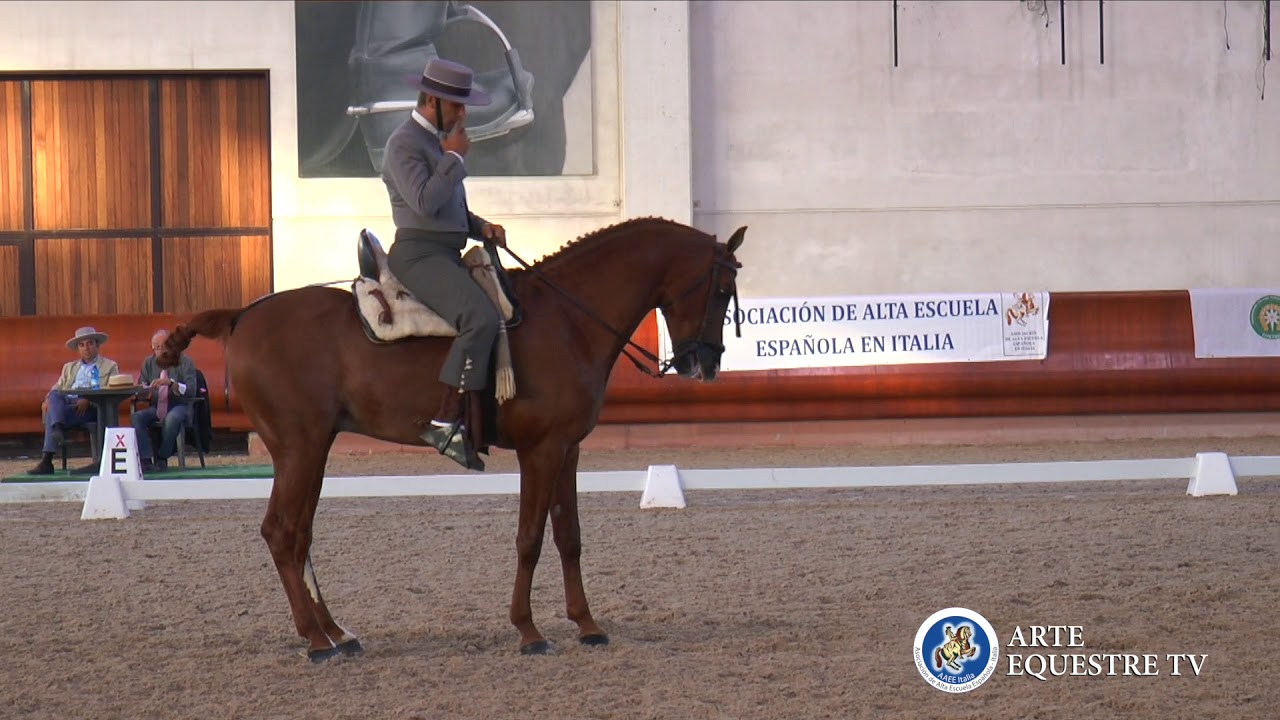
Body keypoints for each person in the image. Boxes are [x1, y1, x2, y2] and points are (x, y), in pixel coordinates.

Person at [380, 56, 509, 470]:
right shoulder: (403, 144)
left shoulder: (438, 141)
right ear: (433, 101)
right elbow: (424, 202)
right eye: (457, 105)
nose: (463, 113)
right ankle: (444, 421)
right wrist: (453, 159)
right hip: (418, 255)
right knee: (481, 319)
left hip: (445, 250)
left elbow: (449, 209)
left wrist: (479, 225)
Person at [29, 326, 120, 475]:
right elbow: (58, 386)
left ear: (97, 345)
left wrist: (89, 400)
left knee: (53, 411)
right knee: (54, 395)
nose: (86, 348)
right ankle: (57, 427)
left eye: (90, 343)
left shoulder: (110, 366)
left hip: (90, 409)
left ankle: (47, 460)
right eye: (81, 345)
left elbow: (112, 390)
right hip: (66, 406)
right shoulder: (69, 367)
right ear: (78, 348)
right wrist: (47, 399)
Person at [131, 329, 198, 473]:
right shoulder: (149, 363)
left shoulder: (185, 362)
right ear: (152, 348)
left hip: (180, 405)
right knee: (137, 417)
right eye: (157, 347)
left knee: (172, 418)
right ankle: (146, 460)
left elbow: (192, 390)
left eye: (164, 346)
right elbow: (142, 387)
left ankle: (162, 457)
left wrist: (171, 384)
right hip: (157, 406)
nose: (161, 351)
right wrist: (142, 390)